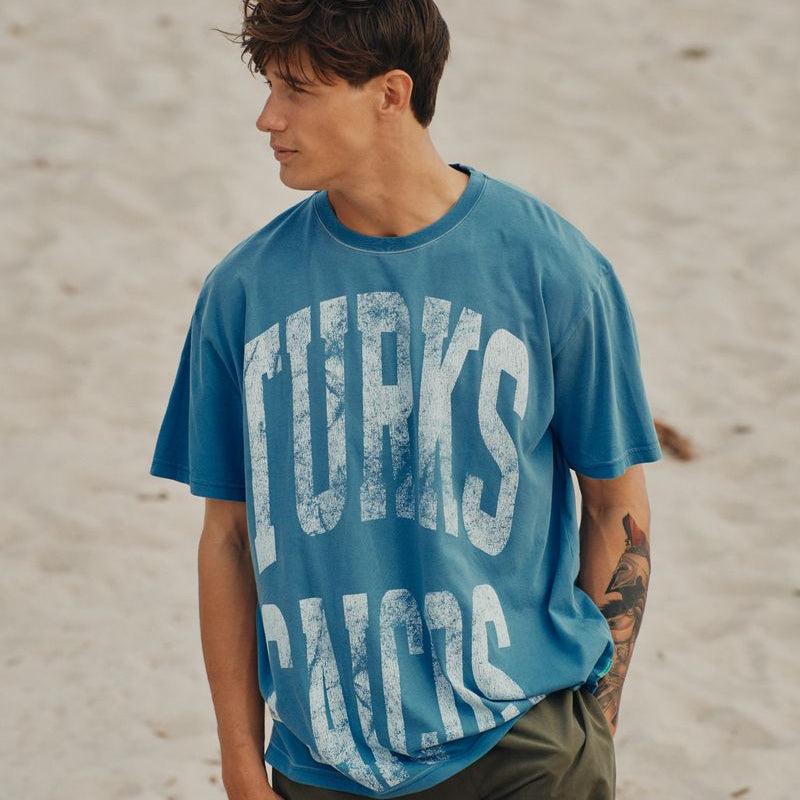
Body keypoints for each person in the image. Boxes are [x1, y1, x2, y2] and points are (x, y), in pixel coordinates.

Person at [149, 1, 663, 798]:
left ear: (391, 93)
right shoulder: (243, 292)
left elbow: (614, 507)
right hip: (319, 768)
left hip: (520, 752)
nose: (266, 117)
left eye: (297, 91)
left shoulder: (550, 266)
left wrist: (592, 728)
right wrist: (243, 765)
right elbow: (228, 537)